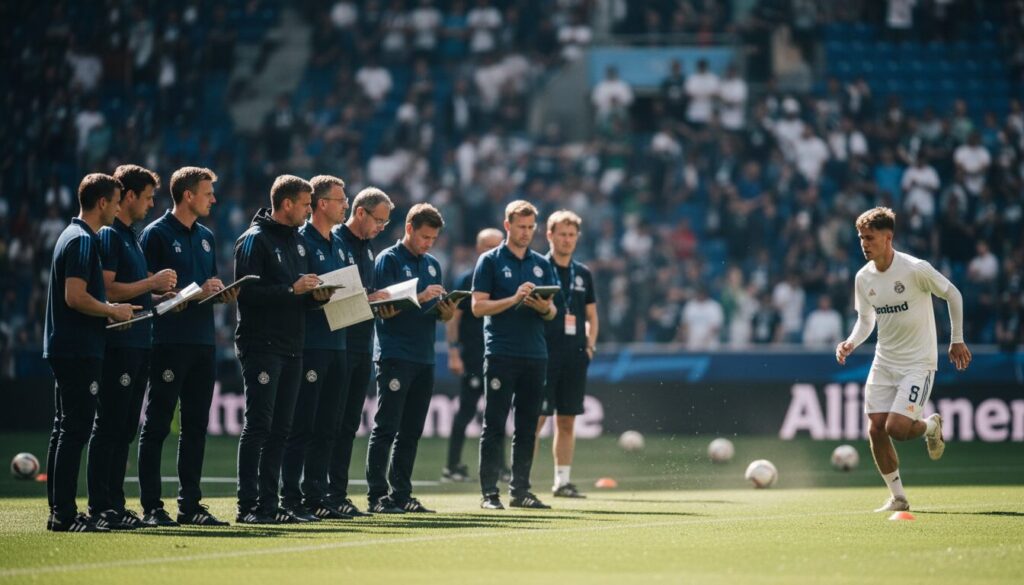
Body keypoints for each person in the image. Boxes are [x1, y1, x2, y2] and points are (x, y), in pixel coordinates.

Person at [836, 207, 972, 513]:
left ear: (888, 238)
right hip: (884, 361)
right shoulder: (863, 277)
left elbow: (953, 295)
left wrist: (956, 339)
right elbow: (866, 320)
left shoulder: (915, 269)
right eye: (861, 238)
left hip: (918, 363)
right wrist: (851, 342)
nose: (864, 243)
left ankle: (929, 428)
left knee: (897, 428)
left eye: (869, 238)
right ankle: (898, 497)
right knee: (875, 429)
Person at [138, 166, 237, 527]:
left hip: (202, 342)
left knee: (196, 426)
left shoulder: (207, 236)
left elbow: (203, 289)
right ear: (188, 195)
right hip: (168, 341)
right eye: (208, 192)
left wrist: (218, 294)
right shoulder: (156, 235)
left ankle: (190, 505)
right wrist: (173, 295)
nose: (213, 198)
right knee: (158, 425)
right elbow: (140, 289)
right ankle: (151, 506)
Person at [233, 175, 334, 524]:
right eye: (306, 204)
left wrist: (315, 298)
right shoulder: (253, 240)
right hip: (262, 345)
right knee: (259, 425)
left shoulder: (298, 243)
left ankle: (270, 504)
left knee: (281, 429)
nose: (310, 210)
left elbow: (297, 296)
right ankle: (248, 506)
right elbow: (245, 295)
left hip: (293, 344)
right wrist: (293, 291)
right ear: (287, 203)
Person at [44, 173, 137, 532]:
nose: (118, 207)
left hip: (68, 345)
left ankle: (60, 511)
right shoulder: (84, 241)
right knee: (75, 430)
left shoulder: (72, 236)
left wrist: (113, 312)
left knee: (64, 429)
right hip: (78, 349)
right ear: (102, 203)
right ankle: (65, 514)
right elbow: (75, 297)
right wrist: (112, 310)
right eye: (115, 201)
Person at [88, 165, 176, 530]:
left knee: (125, 428)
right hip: (120, 343)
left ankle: (116, 504)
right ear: (128, 197)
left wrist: (159, 294)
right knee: (109, 425)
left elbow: (132, 288)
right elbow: (107, 289)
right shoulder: (111, 236)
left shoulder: (131, 236)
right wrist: (150, 281)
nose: (151, 204)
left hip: (140, 340)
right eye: (148, 197)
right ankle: (100, 506)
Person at [365, 203, 456, 513]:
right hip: (394, 353)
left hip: (424, 355)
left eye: (433, 238)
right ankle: (377, 496)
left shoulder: (432, 264)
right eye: (424, 237)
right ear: (409, 229)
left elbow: (434, 312)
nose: (428, 244)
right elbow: (379, 306)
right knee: (386, 426)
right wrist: (420, 297)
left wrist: (445, 312)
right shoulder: (387, 260)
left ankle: (401, 494)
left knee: (412, 430)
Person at [473, 200, 558, 510]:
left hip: (536, 354)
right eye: (521, 227)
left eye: (531, 227)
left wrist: (543, 307)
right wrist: (513, 299)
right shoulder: (490, 261)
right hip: (501, 352)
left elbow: (552, 312)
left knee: (526, 426)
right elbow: (477, 306)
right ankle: (489, 493)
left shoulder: (541, 263)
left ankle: (520, 490)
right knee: (494, 424)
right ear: (507, 226)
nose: (526, 232)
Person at [280, 175, 355, 520]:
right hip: (311, 343)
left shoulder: (339, 243)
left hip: (338, 341)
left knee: (329, 425)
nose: (346, 205)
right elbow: (297, 292)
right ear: (322, 204)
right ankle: (290, 497)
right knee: (303, 424)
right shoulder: (300, 242)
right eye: (341, 200)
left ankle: (316, 494)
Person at [329, 187, 395, 517]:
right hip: (336, 343)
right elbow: (334, 295)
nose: (382, 227)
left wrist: (379, 304)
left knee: (348, 424)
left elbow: (363, 295)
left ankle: (337, 494)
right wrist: (370, 300)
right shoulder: (335, 241)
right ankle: (320, 493)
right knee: (329, 421)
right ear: (361, 213)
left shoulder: (368, 248)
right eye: (379, 220)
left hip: (360, 344)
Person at [536, 211, 598, 499]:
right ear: (549, 235)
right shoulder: (537, 268)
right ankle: (520, 480)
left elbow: (591, 315)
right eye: (562, 234)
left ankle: (562, 482)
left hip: (574, 356)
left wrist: (590, 346)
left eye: (572, 235)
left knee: (567, 420)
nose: (567, 239)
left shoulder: (583, 273)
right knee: (536, 418)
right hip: (544, 355)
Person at [442, 227, 504, 482]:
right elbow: (453, 319)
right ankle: (452, 466)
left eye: (497, 246)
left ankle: (502, 468)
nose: (493, 250)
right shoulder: (467, 279)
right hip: (474, 355)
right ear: (479, 249)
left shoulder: (505, 279)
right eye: (488, 246)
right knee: (466, 410)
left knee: (499, 412)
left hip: (500, 354)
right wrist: (453, 353)